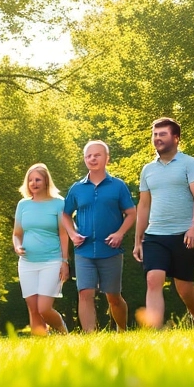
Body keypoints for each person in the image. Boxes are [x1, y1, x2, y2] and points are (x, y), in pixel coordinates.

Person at [133, 118, 194, 329]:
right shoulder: (147, 170)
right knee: (153, 279)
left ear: (176, 138)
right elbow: (144, 205)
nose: (157, 138)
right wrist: (138, 239)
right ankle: (154, 332)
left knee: (184, 289)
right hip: (155, 235)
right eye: (155, 135)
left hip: (184, 233)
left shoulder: (189, 163)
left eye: (162, 134)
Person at [62, 141, 137, 333]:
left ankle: (122, 331)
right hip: (84, 250)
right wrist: (72, 234)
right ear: (84, 159)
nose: (93, 159)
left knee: (113, 296)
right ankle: (90, 337)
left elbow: (131, 213)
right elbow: (65, 214)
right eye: (89, 156)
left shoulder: (118, 186)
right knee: (84, 292)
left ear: (107, 159)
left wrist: (120, 233)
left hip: (110, 250)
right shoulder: (77, 188)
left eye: (97, 155)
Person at [14, 164, 70, 335]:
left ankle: (62, 332)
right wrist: (17, 246)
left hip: (51, 261)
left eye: (37, 179)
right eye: (30, 180)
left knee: (44, 308)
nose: (33, 183)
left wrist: (64, 261)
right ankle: (40, 345)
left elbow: (63, 234)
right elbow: (17, 233)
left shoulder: (59, 203)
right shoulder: (23, 204)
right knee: (33, 309)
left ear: (46, 181)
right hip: (27, 263)